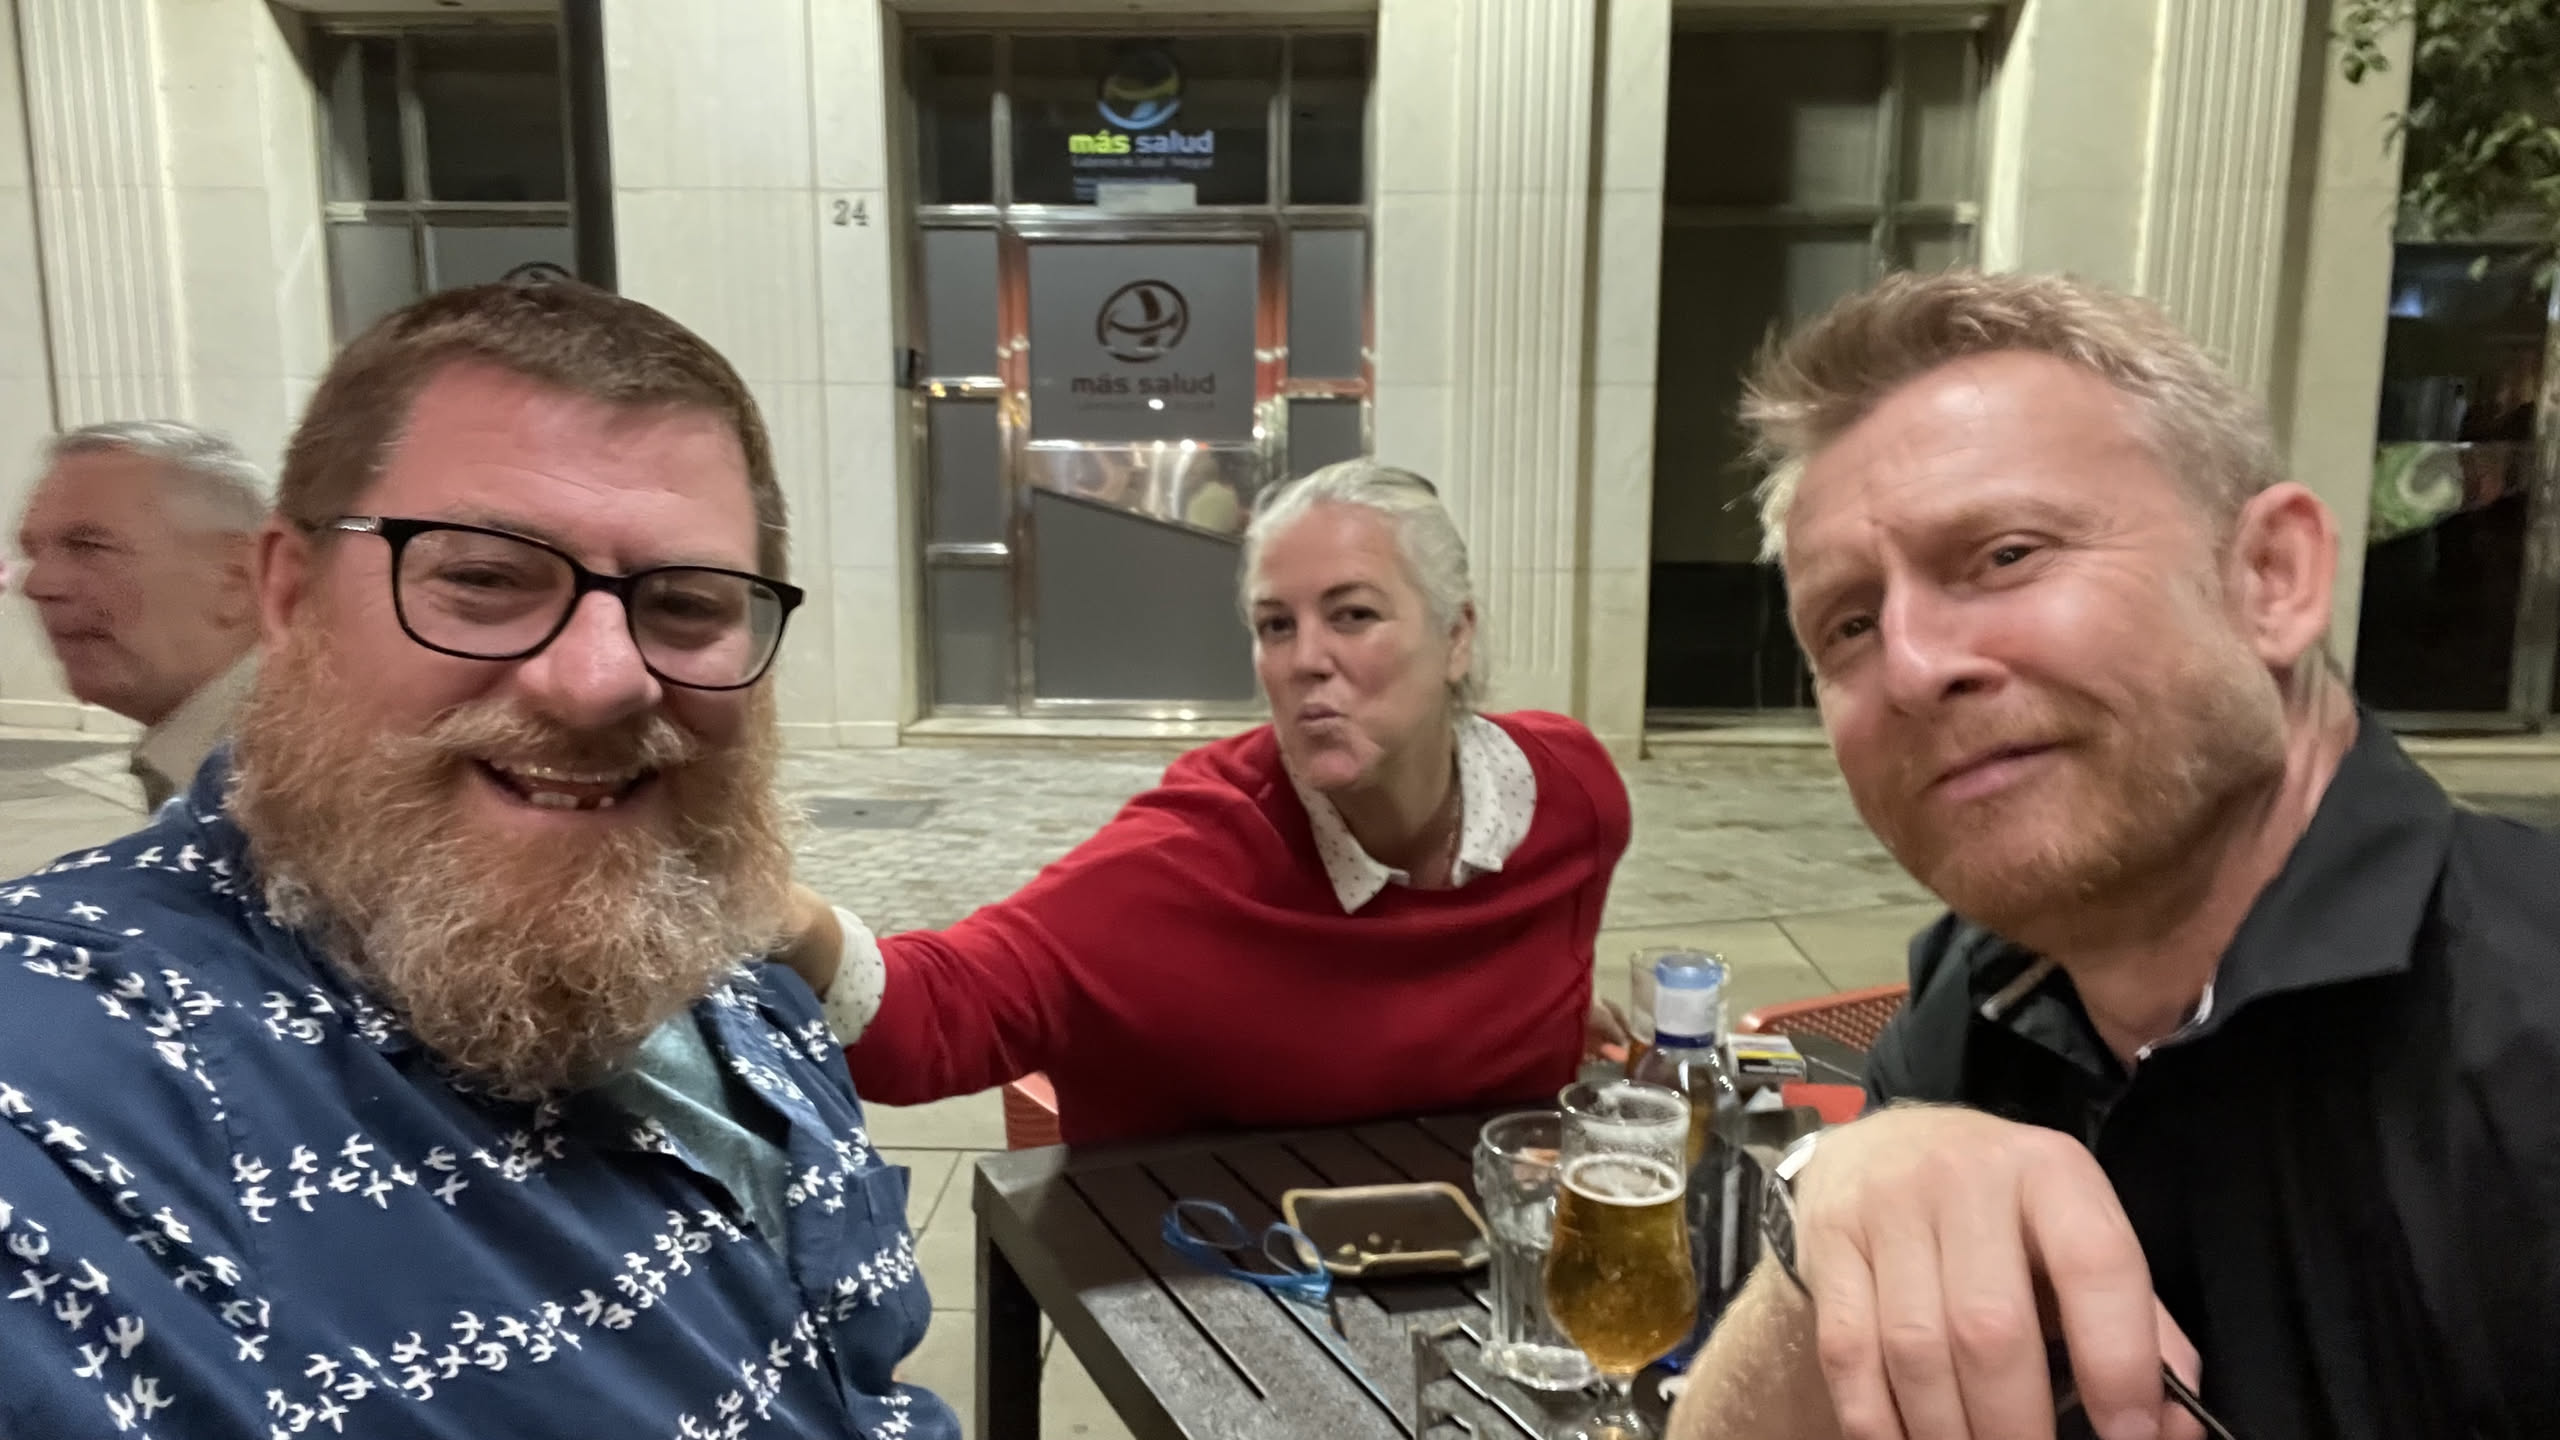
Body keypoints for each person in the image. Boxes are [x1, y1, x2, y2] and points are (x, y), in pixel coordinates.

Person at [0, 282, 955, 1439]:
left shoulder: (710, 954)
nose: (603, 679)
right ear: (290, 595)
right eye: (486, 579)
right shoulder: (72, 1077)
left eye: (685, 604)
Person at [1669, 269, 2560, 1440]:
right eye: (1849, 624)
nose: (1913, 667)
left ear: (2270, 578)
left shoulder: (2523, 1044)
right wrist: (1822, 1219)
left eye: (2004, 555)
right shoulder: (1981, 995)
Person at [781, 461, 1633, 1144]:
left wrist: (1562, 1020)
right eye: (1275, 626)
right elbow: (948, 1012)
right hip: (1233, 1271)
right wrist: (794, 926)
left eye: (1352, 614)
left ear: (1456, 637)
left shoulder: (1573, 793)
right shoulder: (1184, 860)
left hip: (1505, 1262)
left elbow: (1515, 980)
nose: (1306, 659)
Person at [15, 421, 267, 808]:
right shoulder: (206, 760)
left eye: (88, 546)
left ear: (236, 576)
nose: (37, 584)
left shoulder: (295, 782)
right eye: (33, 552)